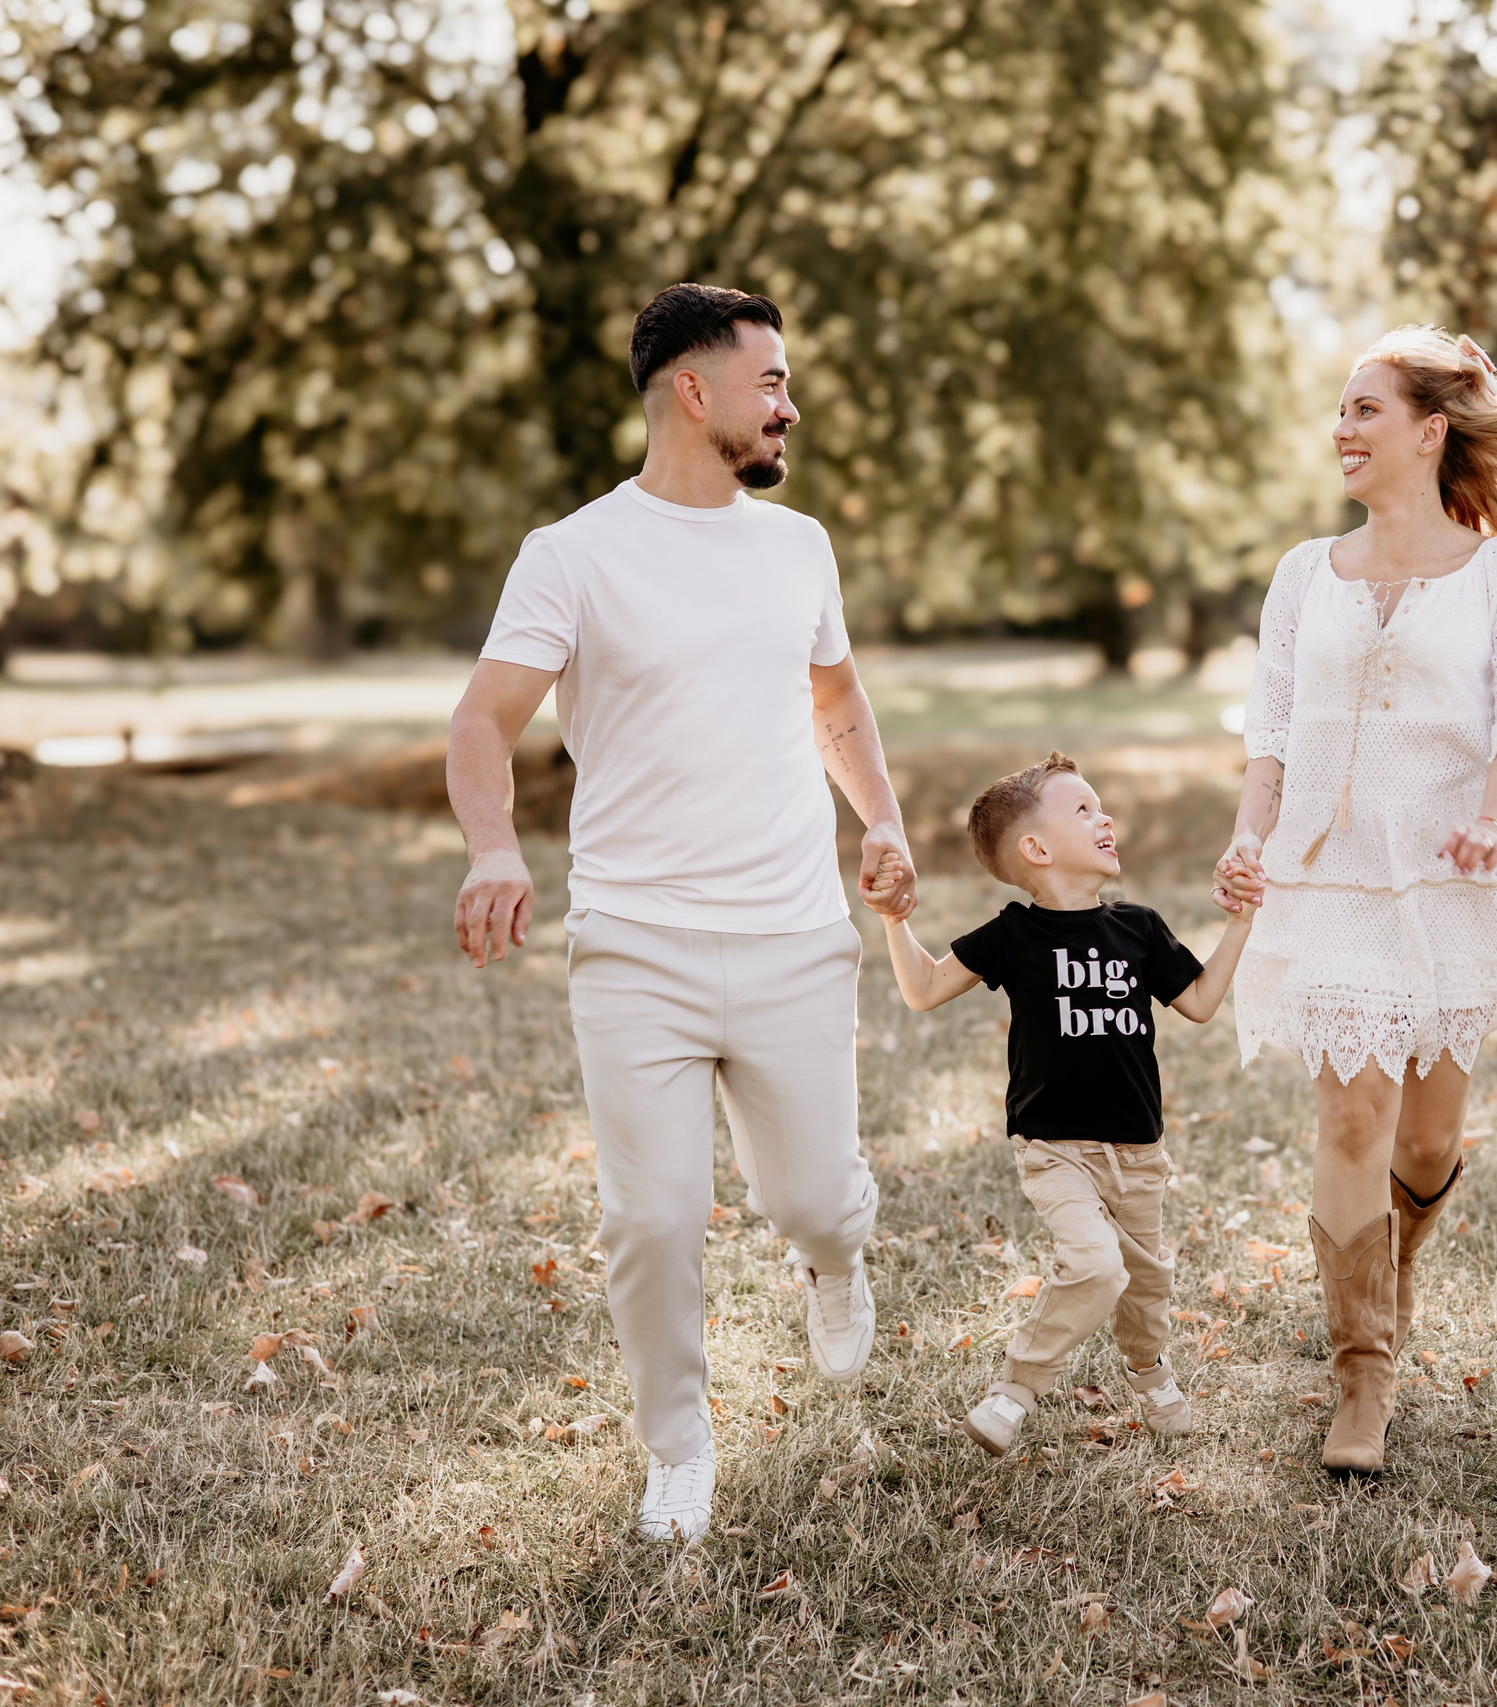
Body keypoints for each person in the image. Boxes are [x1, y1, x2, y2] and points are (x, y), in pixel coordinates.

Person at [448, 283, 916, 1543]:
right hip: (633, 944)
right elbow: (483, 719)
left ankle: (834, 1256)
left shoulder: (797, 546)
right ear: (692, 391)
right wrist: (494, 847)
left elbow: (837, 700)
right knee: (651, 1218)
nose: (790, 404)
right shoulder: (574, 553)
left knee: (816, 1199)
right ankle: (678, 1448)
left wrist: (881, 820)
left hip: (791, 936)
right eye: (770, 381)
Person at [1213, 326, 1497, 1476]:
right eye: (1339, 411)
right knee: (1348, 1115)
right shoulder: (1302, 573)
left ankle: (1396, 1254)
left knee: (1426, 1142)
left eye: (1365, 409)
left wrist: (1494, 814)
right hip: (1325, 873)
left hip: (1446, 875)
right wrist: (1248, 838)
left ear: (1432, 431)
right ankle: (1361, 1374)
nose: (1342, 428)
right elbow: (1270, 732)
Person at [878, 752, 1255, 1456]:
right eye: (1083, 809)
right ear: (1037, 848)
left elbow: (1200, 1002)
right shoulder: (1016, 934)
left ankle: (1147, 1367)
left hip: (1137, 1149)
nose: (1104, 815)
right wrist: (894, 920)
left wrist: (1240, 922)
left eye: (1100, 805)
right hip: (1054, 1146)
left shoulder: (1138, 928)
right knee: (1095, 1264)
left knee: (1144, 1284)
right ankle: (1014, 1390)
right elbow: (924, 989)